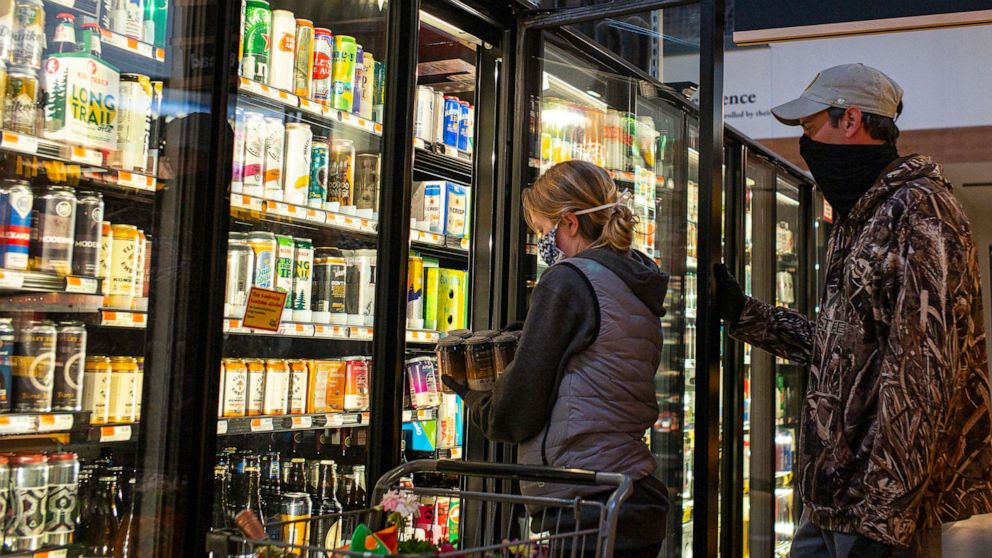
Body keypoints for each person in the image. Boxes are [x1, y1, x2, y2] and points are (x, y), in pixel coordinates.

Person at [714, 63, 992, 558]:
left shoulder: (921, 210)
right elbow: (844, 348)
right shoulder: (860, 214)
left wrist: (884, 520)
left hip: (876, 514)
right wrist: (745, 314)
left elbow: (924, 378)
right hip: (828, 502)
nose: (805, 142)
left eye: (810, 126)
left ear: (851, 120)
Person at [442, 160, 670, 557]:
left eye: (543, 231)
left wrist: (471, 392)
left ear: (570, 223)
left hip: (582, 504)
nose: (541, 243)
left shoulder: (568, 280)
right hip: (630, 495)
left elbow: (516, 411)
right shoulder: (633, 279)